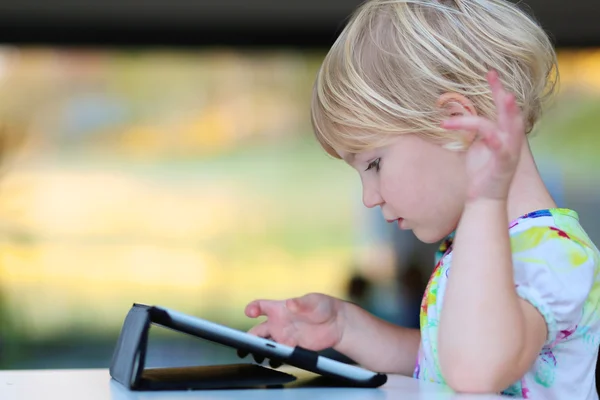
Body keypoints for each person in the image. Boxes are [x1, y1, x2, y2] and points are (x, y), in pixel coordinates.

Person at [243, 0, 600, 397]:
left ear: (459, 129)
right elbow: (441, 362)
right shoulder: (485, 246)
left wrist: (485, 202)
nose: (369, 198)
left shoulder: (552, 254)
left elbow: (474, 372)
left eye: (374, 163)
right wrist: (346, 328)